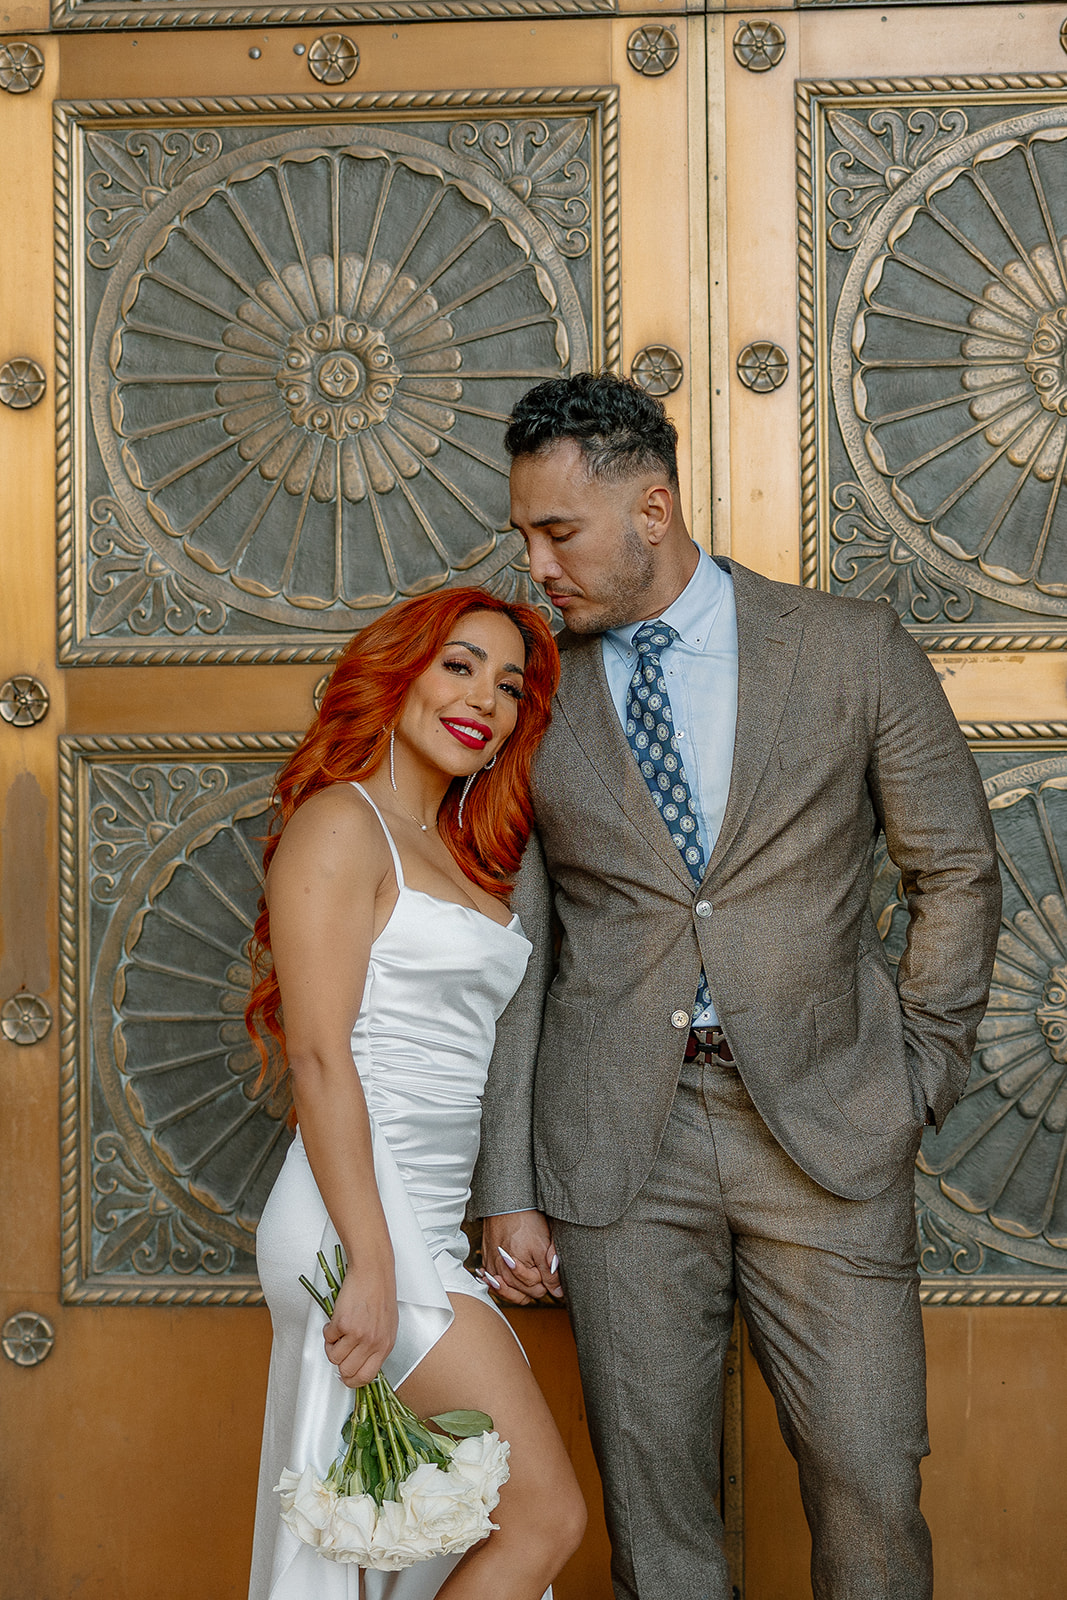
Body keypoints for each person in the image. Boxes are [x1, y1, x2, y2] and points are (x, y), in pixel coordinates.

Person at [472, 373, 1002, 1600]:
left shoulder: (846, 646)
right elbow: (522, 943)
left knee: (868, 1484)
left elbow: (956, 871)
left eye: (559, 532)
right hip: (615, 1149)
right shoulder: (532, 688)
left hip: (825, 1133)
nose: (536, 563)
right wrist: (508, 1184)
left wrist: (912, 1077)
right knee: (656, 1525)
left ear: (649, 506)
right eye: (523, 535)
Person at [245, 587, 585, 1600]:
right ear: (397, 671)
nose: (485, 695)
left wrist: (495, 1216)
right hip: (355, 1218)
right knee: (542, 1515)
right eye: (459, 664)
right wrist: (372, 1260)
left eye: (510, 684)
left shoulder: (458, 848)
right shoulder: (340, 824)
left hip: (425, 1225)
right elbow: (317, 1057)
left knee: (432, 1530)